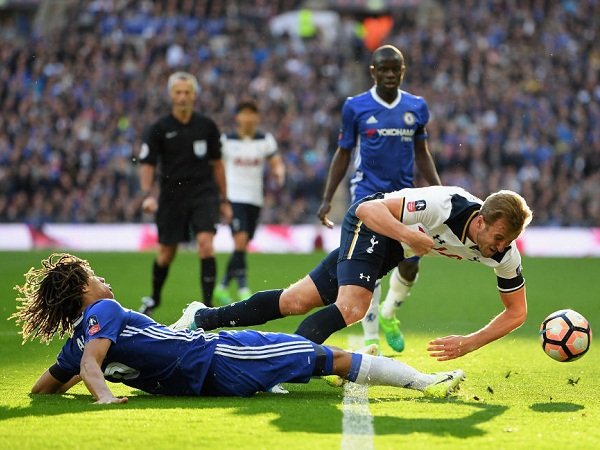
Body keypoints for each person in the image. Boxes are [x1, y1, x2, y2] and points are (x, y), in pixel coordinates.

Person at [11, 253, 464, 404]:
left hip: (198, 378)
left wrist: (78, 380)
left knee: (305, 362)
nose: (103, 281)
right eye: (94, 277)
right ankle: (427, 383)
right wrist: (106, 400)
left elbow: (42, 389)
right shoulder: (104, 314)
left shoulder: (79, 338)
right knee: (325, 356)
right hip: (217, 356)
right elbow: (92, 366)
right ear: (82, 290)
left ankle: (197, 322)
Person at [174, 186, 532, 362]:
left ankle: (201, 317)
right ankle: (281, 364)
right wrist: (410, 236)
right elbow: (367, 208)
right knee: (353, 307)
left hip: (392, 246)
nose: (501, 248)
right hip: (374, 225)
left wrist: (470, 342)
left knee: (295, 301)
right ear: (481, 221)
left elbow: (517, 312)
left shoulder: (504, 253)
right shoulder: (445, 205)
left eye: (509, 242)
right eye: (499, 238)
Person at [317, 44, 442, 353]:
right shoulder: (355, 107)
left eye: (394, 69)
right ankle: (371, 338)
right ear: (372, 72)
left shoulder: (416, 107)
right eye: (382, 69)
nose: (388, 74)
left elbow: (421, 152)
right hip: (367, 198)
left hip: (404, 199)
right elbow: (343, 152)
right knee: (367, 268)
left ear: (403, 71)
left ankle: (388, 314)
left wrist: (439, 190)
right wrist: (327, 197)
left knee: (411, 264)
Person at [137, 71, 233, 315]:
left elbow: (217, 164)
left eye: (187, 92)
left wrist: (224, 199)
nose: (182, 97)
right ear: (171, 95)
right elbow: (147, 163)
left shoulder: (207, 126)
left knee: (205, 245)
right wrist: (148, 194)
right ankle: (154, 297)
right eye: (178, 92)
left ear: (194, 95)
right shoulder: (159, 128)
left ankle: (208, 307)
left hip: (203, 193)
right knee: (167, 252)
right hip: (172, 196)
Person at [213, 99, 285, 305]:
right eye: (244, 113)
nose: (248, 118)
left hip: (255, 199)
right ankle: (242, 287)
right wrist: (221, 200)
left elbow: (276, 161)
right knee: (241, 240)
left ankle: (223, 286)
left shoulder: (265, 140)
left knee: (242, 244)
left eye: (252, 113)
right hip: (234, 197)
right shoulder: (226, 140)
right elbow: (216, 167)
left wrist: (279, 172)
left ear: (257, 117)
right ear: (237, 117)